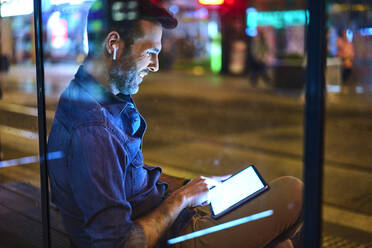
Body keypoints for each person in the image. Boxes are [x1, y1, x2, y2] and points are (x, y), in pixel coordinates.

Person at [47, 0, 303, 247]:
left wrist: (190, 185)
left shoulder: (96, 97)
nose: (156, 65)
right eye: (150, 52)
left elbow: (124, 171)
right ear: (113, 43)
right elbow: (118, 243)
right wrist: (182, 199)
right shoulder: (93, 130)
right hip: (169, 238)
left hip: (170, 222)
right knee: (294, 191)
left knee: (281, 244)